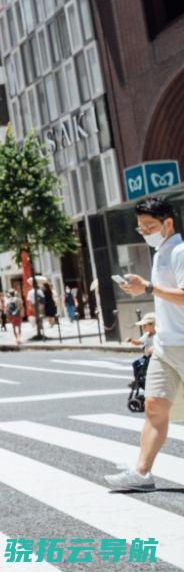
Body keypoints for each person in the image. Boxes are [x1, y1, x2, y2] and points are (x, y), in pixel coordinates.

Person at [108, 197, 184, 490]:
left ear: (168, 223)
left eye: (149, 226)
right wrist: (141, 289)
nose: (145, 232)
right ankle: (142, 473)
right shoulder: (160, 253)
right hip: (165, 346)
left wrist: (150, 287)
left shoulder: (179, 251)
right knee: (154, 407)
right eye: (140, 228)